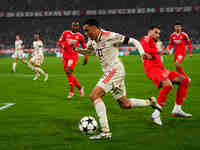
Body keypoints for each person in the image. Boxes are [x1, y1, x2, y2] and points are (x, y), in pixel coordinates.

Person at [70, 19, 162, 140]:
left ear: (95, 28)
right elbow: (89, 51)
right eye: (84, 31)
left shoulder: (109, 36)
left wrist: (142, 53)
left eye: (87, 31)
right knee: (125, 104)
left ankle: (105, 132)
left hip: (114, 71)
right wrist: (76, 49)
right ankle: (150, 102)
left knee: (94, 95)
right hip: (111, 72)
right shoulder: (91, 40)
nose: (86, 34)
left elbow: (133, 41)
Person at [140, 25, 192, 126]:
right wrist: (160, 51)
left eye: (159, 33)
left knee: (184, 80)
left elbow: (152, 53)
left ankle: (177, 109)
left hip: (161, 69)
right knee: (168, 85)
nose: (157, 35)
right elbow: (145, 50)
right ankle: (156, 114)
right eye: (155, 32)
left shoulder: (155, 43)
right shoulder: (146, 38)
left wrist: (160, 52)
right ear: (149, 31)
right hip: (152, 70)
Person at [57, 21, 88, 99]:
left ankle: (71, 91)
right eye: (74, 26)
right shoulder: (65, 33)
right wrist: (61, 46)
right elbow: (59, 42)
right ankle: (80, 88)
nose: (75, 27)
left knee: (68, 71)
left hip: (73, 56)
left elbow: (85, 47)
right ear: (71, 26)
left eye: (77, 26)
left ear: (78, 27)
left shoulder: (80, 36)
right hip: (65, 56)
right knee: (68, 74)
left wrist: (86, 57)